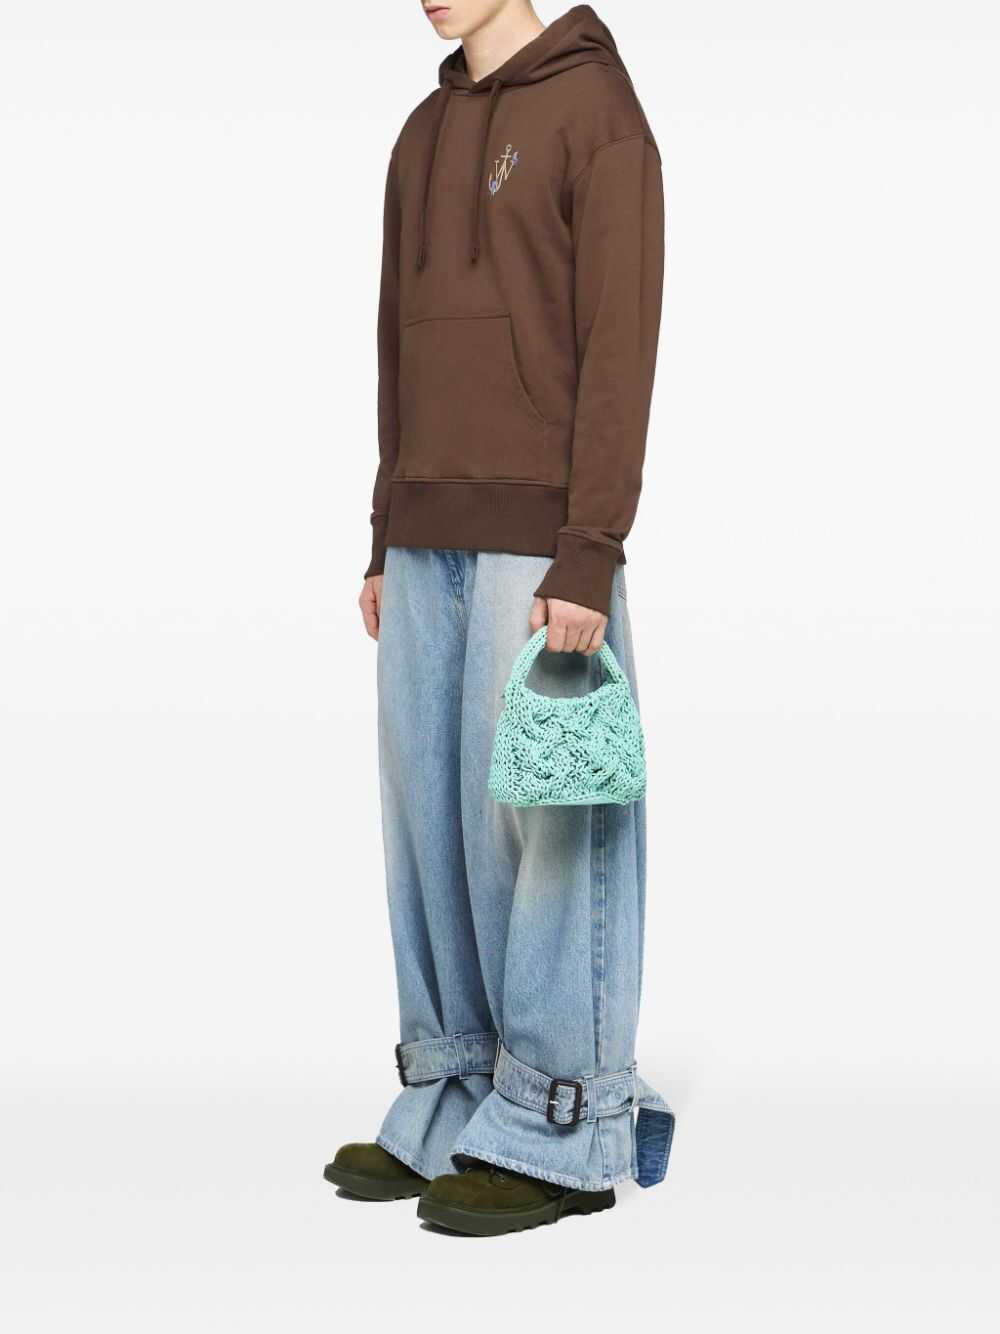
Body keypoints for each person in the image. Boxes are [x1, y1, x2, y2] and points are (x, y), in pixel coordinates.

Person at [325, 0, 673, 1236]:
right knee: (429, 823)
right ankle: (458, 1086)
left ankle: (565, 1118)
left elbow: (619, 342)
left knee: (550, 815)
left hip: (542, 538)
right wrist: (385, 528)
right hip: (425, 529)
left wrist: (590, 549)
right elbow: (394, 348)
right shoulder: (419, 135)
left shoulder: (598, 111)